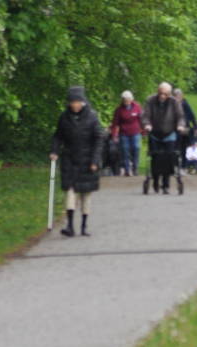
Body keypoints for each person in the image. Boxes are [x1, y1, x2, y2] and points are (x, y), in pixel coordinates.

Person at [51, 85, 105, 237]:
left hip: (87, 160)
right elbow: (58, 136)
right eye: (72, 102)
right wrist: (54, 151)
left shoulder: (92, 117)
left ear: (82, 102)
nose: (75, 105)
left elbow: (99, 139)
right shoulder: (64, 117)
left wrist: (95, 160)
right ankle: (70, 226)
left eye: (77, 102)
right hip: (69, 159)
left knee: (86, 193)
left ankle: (83, 226)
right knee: (70, 190)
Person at [140, 81, 186, 193]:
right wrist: (147, 124)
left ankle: (166, 185)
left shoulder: (174, 102)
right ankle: (155, 181)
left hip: (169, 134)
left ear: (169, 94)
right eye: (160, 93)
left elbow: (180, 116)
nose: (162, 96)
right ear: (158, 91)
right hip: (154, 134)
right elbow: (145, 115)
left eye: (165, 94)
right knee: (155, 158)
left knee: (168, 158)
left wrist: (180, 126)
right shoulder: (150, 100)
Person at [109, 90, 143, 177]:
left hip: (135, 132)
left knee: (136, 148)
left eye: (128, 100)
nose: (126, 102)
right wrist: (114, 134)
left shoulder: (137, 107)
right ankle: (127, 170)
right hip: (124, 133)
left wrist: (144, 130)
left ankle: (135, 168)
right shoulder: (119, 110)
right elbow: (115, 123)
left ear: (131, 99)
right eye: (125, 100)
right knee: (125, 150)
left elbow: (141, 119)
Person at [172, 88, 197, 169]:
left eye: (179, 96)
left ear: (182, 96)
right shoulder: (171, 105)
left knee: (184, 147)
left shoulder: (185, 104)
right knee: (175, 147)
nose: (178, 98)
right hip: (174, 129)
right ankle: (175, 164)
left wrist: (196, 127)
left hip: (185, 128)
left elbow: (192, 115)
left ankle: (184, 165)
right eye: (176, 96)